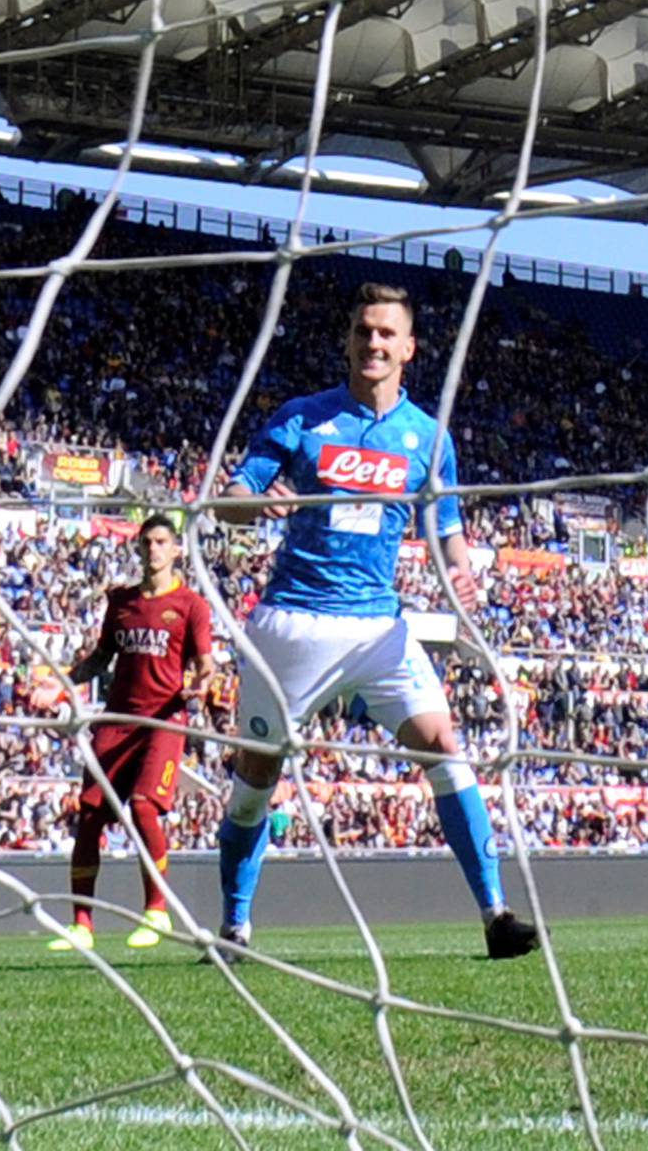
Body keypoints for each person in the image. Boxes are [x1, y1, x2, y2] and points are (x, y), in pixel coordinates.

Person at [212, 283, 539, 962]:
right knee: (255, 784)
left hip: (379, 628)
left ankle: (496, 913)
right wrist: (254, 505)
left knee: (445, 746)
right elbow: (231, 499)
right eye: (364, 331)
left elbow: (444, 530)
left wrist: (461, 574)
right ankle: (235, 924)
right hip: (294, 624)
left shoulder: (428, 438)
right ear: (349, 340)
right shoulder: (302, 419)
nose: (374, 343)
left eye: (387, 333)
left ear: (408, 348)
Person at [48, 514, 214, 952]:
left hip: (162, 721)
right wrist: (62, 682)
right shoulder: (121, 601)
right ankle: (81, 925)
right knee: (89, 817)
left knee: (143, 808)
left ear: (177, 550)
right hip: (117, 720)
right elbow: (100, 658)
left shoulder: (192, 606)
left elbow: (205, 663)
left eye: (161, 541)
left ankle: (156, 911)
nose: (153, 549)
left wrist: (202, 680)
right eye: (147, 542)